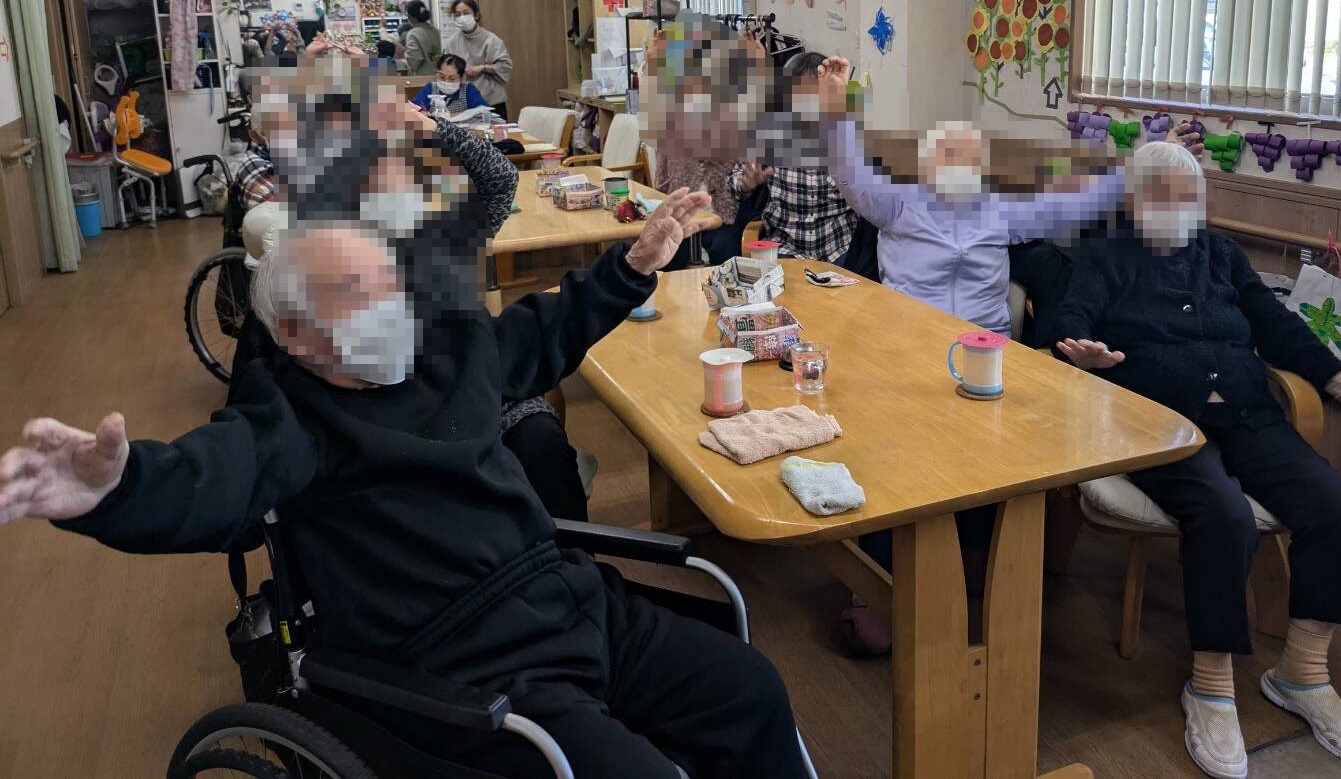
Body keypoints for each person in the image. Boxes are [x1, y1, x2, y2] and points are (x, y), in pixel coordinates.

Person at [0, 152, 808, 776]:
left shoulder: (443, 350)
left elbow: (545, 332)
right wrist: (113, 488)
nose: (388, 307)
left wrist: (630, 268)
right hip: (466, 669)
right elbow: (209, 478)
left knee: (751, 691)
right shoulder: (292, 420)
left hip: (569, 601)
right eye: (354, 296)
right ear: (298, 337)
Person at [1045, 139, 1341, 779]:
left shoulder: (1221, 254)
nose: (1175, 202)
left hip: (1247, 411)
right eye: (1159, 190)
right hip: (1159, 421)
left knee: (1336, 505)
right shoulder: (1106, 255)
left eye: (1185, 192)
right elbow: (1068, 316)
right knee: (1224, 515)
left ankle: (1302, 673)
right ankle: (1210, 684)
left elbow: (1277, 324)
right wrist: (1080, 351)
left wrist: (1339, 382)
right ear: (1134, 200)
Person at [817, 56, 1171, 332]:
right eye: (948, 154)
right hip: (910, 334)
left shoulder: (1002, 206)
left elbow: (1080, 202)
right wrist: (836, 107)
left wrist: (1155, 160)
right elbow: (849, 170)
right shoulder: (897, 201)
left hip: (986, 339)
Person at [728, 50, 857, 263]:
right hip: (786, 250)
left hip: (840, 249)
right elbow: (733, 183)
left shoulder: (845, 134)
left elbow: (871, 196)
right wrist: (746, 182)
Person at [444, 0, 512, 119]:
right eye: (458, 14)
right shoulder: (451, 43)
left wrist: (483, 68)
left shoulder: (491, 40)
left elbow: (505, 66)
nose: (462, 18)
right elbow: (446, 71)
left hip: (491, 102)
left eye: (466, 13)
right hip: (464, 104)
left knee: (496, 138)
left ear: (476, 15)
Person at [411, 54, 489, 116]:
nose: (446, 81)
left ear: (461, 77)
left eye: (452, 78)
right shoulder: (430, 88)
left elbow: (482, 110)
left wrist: (449, 116)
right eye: (442, 77)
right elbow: (413, 108)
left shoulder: (468, 89)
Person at [402, 0, 441, 76]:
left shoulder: (413, 34)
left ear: (411, 17)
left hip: (423, 78)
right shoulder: (436, 31)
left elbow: (414, 61)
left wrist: (405, 56)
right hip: (439, 76)